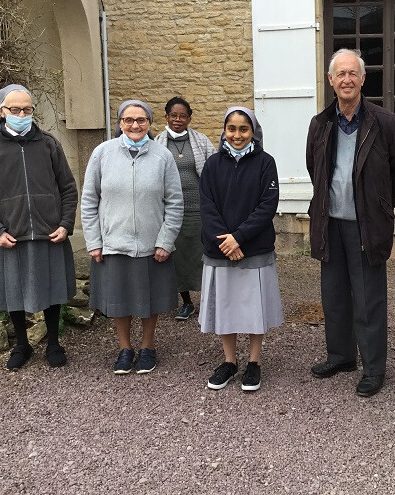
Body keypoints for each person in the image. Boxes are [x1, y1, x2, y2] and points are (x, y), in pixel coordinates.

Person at [306, 48, 395, 397]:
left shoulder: (385, 122)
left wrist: (378, 206)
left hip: (366, 226)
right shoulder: (320, 123)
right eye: (341, 74)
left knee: (368, 299)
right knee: (334, 295)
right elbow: (315, 168)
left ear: (363, 79)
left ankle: (373, 368)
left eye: (353, 73)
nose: (347, 80)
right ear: (331, 81)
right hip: (329, 224)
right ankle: (340, 356)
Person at [0, 84, 77, 370]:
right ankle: (22, 344)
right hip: (11, 234)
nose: (21, 114)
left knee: (53, 289)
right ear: (0, 112)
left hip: (49, 233)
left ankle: (54, 342)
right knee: (15, 291)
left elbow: (68, 188)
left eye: (27, 109)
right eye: (14, 109)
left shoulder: (49, 144)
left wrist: (66, 224)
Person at [81, 100, 184, 375]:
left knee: (150, 300)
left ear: (149, 123)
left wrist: (165, 240)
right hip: (114, 242)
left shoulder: (162, 157)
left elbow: (175, 202)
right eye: (128, 120)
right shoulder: (102, 154)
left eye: (141, 120)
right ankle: (125, 348)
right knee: (119, 300)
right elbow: (89, 200)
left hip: (152, 244)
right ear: (120, 123)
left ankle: (148, 346)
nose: (134, 125)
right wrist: (94, 241)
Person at [198, 106, 282, 392]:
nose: (237, 135)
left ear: (253, 132)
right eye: (231, 129)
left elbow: (267, 206)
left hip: (253, 248)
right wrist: (226, 241)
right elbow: (207, 206)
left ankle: (254, 362)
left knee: (253, 307)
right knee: (226, 305)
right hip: (221, 248)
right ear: (224, 131)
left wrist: (240, 238)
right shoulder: (212, 165)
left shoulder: (265, 163)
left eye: (243, 129)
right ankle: (230, 361)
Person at [155, 96, 216, 321]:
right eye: (173, 115)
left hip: (199, 210)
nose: (178, 119)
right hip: (171, 212)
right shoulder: (157, 144)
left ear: (189, 118)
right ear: (167, 117)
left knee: (204, 255)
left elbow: (214, 170)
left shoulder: (200, 141)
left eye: (183, 116)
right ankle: (187, 302)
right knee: (178, 259)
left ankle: (211, 301)